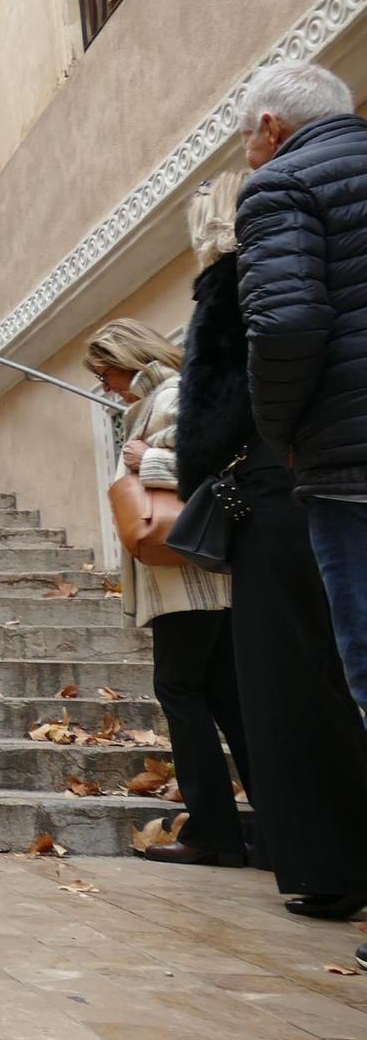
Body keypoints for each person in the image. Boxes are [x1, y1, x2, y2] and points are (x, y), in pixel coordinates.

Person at [184, 170, 367, 931]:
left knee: (290, 681)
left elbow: (215, 409)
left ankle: (332, 863)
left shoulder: (231, 284)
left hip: (276, 489)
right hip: (325, 472)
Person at [83, 320, 247, 867]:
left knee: (179, 690)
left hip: (188, 579)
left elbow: (216, 467)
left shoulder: (171, 394)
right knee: (226, 699)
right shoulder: (164, 395)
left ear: (129, 359)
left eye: (106, 373)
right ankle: (270, 829)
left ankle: (212, 833)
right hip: (195, 577)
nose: (106, 387)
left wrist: (144, 463)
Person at [235, 60, 367, 721]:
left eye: (247, 143)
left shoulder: (279, 185)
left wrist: (280, 431)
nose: (249, 158)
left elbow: (285, 324)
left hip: (351, 465)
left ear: (271, 125)